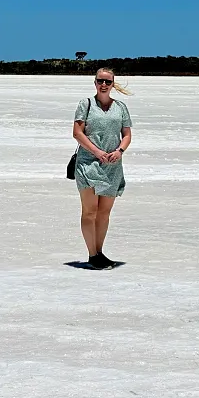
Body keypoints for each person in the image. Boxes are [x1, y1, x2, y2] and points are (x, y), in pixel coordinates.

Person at [72, 68, 133, 269]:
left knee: (104, 212)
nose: (104, 85)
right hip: (88, 164)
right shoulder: (86, 104)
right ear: (95, 83)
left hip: (112, 165)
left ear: (113, 84)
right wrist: (97, 152)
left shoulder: (121, 107)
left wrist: (120, 151)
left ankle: (99, 252)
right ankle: (92, 255)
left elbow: (126, 134)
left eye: (108, 81)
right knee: (90, 211)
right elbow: (77, 133)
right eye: (100, 81)